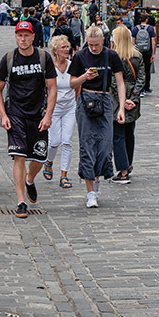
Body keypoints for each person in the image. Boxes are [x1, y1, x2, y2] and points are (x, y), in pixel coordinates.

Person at [0, 20, 57, 218]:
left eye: (26, 35)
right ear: (16, 36)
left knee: (39, 157)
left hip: (38, 115)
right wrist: (3, 115)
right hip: (15, 115)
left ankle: (30, 179)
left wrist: (48, 115)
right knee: (19, 156)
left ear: (32, 37)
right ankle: (21, 201)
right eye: (19, 35)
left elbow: (52, 88)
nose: (23, 39)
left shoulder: (43, 57)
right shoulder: (9, 58)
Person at [68, 26, 126, 208]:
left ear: (103, 41)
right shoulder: (80, 56)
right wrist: (85, 76)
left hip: (105, 98)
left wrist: (122, 108)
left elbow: (120, 82)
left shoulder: (112, 55)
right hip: (86, 98)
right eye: (90, 44)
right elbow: (71, 83)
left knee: (105, 145)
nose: (93, 48)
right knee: (87, 144)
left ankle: (98, 179)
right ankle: (90, 192)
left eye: (96, 44)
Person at [110, 24, 145, 183]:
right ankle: (129, 164)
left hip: (117, 101)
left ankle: (123, 171)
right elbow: (142, 79)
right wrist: (134, 98)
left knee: (118, 135)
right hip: (133, 99)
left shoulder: (113, 56)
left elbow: (113, 83)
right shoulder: (137, 55)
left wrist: (123, 101)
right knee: (129, 134)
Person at [44, 35, 76, 189]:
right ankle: (49, 162)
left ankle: (64, 175)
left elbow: (77, 86)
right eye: (63, 47)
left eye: (67, 46)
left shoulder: (72, 65)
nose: (66, 49)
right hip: (54, 108)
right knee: (54, 141)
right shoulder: (50, 67)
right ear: (55, 50)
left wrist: (74, 102)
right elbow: (45, 88)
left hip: (70, 107)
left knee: (67, 141)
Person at [131, 13, 156, 96]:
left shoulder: (135, 29)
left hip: (138, 52)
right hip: (147, 52)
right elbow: (153, 41)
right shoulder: (150, 29)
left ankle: (139, 89)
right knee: (147, 70)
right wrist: (153, 53)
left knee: (138, 70)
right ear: (146, 20)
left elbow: (133, 41)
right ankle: (146, 88)